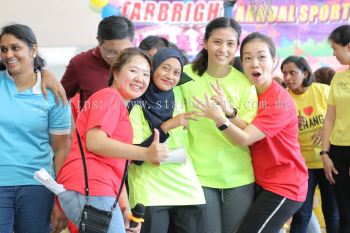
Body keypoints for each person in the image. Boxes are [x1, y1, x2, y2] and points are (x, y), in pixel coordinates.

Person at [193, 32, 308, 232]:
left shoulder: (278, 99)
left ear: (274, 60)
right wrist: (230, 112)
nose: (254, 63)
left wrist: (220, 119)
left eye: (261, 57)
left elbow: (245, 139)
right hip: (264, 181)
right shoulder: (254, 93)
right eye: (247, 58)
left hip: (285, 186)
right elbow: (252, 130)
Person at [56, 48, 169, 233]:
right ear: (115, 73)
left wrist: (125, 209)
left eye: (146, 74)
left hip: (97, 189)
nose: (140, 78)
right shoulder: (110, 97)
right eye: (133, 71)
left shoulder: (117, 105)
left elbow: (116, 166)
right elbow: (95, 142)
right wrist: (146, 153)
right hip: (91, 187)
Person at [179, 17, 258, 233]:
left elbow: (248, 132)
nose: (223, 49)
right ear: (204, 43)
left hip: (238, 174)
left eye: (230, 43)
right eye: (217, 42)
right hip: (199, 174)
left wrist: (227, 113)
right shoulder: (184, 75)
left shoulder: (245, 83)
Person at [0, 24, 71, 233]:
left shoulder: (53, 93)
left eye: (15, 48)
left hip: (37, 187)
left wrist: (61, 198)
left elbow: (61, 150)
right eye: (3, 49)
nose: (9, 54)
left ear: (33, 49)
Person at [127, 48, 205, 233]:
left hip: (186, 187)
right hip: (150, 190)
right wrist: (167, 126)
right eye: (165, 68)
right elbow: (135, 156)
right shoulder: (136, 103)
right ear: (152, 69)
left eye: (176, 72)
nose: (170, 76)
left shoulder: (180, 95)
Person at [281, 56, 339, 233]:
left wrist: (326, 128)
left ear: (305, 73)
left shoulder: (322, 91)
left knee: (332, 212)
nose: (288, 78)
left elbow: (342, 116)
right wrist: (289, 123)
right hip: (301, 166)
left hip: (327, 161)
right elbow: (276, 135)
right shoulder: (283, 98)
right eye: (284, 73)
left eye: (292, 73)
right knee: (301, 214)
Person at [60, 15, 134, 106]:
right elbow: (60, 98)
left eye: (125, 51)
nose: (119, 58)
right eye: (112, 52)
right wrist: (72, 120)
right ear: (99, 41)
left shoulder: (141, 63)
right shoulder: (79, 64)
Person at [322, 24, 350, 233]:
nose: (334, 54)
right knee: (343, 212)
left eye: (335, 48)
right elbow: (329, 118)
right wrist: (324, 153)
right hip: (338, 150)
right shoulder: (338, 78)